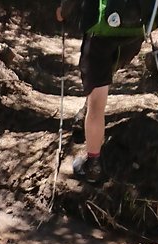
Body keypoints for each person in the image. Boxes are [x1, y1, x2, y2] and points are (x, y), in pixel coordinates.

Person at [56, 0, 146, 182]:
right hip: (135, 31)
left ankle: (93, 167)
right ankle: (85, 112)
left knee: (97, 103)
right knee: (102, 79)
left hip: (101, 33)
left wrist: (63, 12)